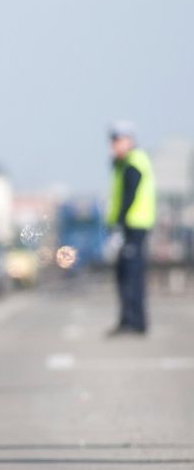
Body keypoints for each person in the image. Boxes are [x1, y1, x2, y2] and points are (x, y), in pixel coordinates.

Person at [105, 121, 155, 336]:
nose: (114, 146)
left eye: (117, 141)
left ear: (129, 141)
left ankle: (134, 322)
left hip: (133, 227)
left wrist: (119, 226)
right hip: (130, 227)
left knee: (131, 275)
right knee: (125, 274)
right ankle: (130, 320)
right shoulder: (124, 163)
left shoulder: (133, 163)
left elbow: (128, 197)